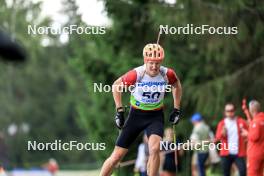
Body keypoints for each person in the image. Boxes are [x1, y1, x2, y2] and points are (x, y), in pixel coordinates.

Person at [99, 43, 182, 176]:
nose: (154, 66)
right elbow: (116, 86)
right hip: (136, 116)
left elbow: (176, 84)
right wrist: (119, 111)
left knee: (155, 149)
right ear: (145, 61)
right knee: (116, 157)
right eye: (151, 63)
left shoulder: (167, 74)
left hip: (155, 116)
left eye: (157, 63)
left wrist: (176, 109)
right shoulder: (137, 74)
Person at [215, 103, 248, 176]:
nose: (230, 113)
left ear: (234, 111)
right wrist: (222, 133)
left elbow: (249, 133)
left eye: (231, 110)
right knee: (226, 173)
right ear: (225, 112)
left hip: (238, 152)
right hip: (226, 153)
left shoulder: (241, 121)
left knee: (243, 171)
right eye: (228, 111)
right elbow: (217, 137)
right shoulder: (222, 123)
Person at [244, 100, 264, 176]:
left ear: (251, 110)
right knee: (260, 174)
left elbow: (255, 137)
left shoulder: (256, 122)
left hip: (255, 153)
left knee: (252, 174)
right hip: (262, 152)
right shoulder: (262, 119)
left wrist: (247, 134)